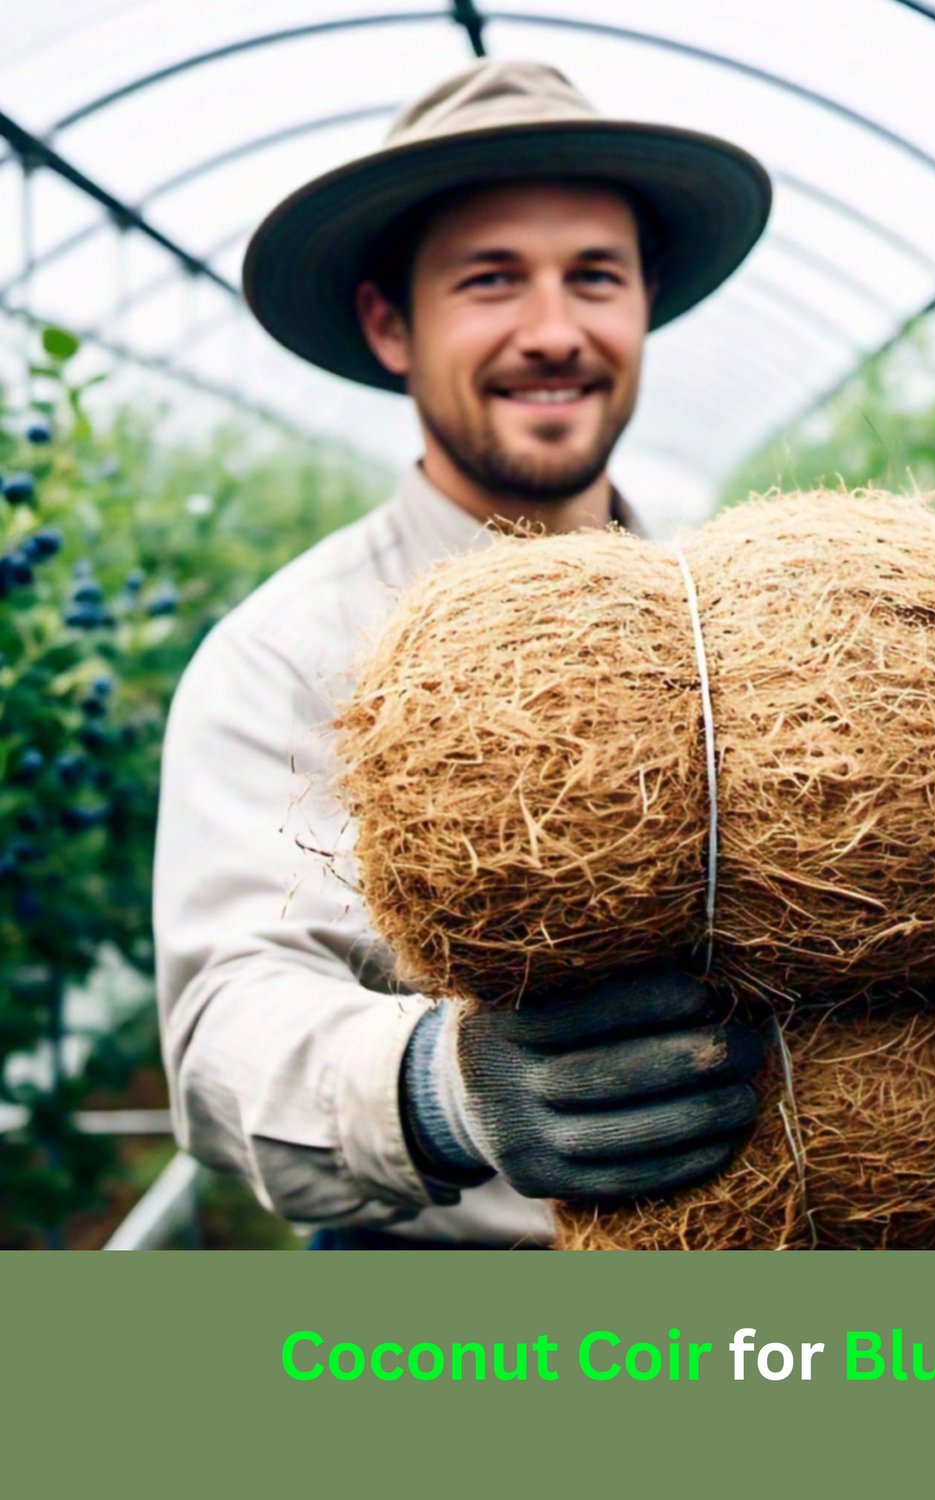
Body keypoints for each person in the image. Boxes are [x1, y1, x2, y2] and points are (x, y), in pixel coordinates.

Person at [153, 59, 774, 1248]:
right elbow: (225, 1028)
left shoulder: (739, 632)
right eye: (491, 282)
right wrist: (441, 1088)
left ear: (644, 303)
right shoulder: (291, 654)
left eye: (594, 277)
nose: (554, 333)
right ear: (392, 324)